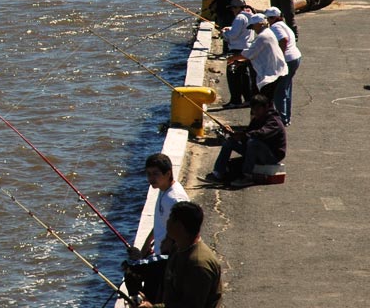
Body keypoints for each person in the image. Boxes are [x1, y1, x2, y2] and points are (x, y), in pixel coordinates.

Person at [123, 153, 190, 303]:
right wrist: (145, 247)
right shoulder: (163, 190)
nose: (151, 178)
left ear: (168, 173)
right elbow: (160, 223)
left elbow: (183, 231)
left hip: (170, 261)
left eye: (155, 174)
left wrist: (166, 245)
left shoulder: (174, 199)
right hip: (161, 256)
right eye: (148, 174)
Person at [137, 201, 222, 308]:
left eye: (170, 219)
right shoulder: (178, 248)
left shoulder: (199, 265)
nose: (166, 223)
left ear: (180, 226)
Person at [205, 94, 287, 186]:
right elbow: (247, 133)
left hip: (272, 155)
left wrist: (243, 136)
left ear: (266, 107)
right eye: (253, 110)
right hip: (257, 151)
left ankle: (247, 176)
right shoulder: (257, 119)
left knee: (253, 142)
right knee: (230, 141)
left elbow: (261, 133)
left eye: (258, 109)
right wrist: (233, 133)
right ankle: (218, 173)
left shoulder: (274, 121)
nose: (255, 112)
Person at [228, 14, 288, 102]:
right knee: (277, 102)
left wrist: (232, 58)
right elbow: (254, 54)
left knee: (265, 103)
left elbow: (248, 54)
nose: (253, 29)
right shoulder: (268, 33)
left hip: (272, 75)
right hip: (278, 71)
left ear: (261, 24)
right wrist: (240, 62)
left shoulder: (263, 37)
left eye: (253, 26)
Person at [265, 7, 301, 126]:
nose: (268, 21)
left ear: (274, 18)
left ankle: (281, 119)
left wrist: (279, 55)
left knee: (279, 91)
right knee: (287, 88)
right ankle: (286, 117)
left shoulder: (276, 27)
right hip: (295, 57)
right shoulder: (283, 25)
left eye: (269, 18)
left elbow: (283, 40)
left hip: (288, 59)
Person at [221, 0, 254, 108]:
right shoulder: (249, 16)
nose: (232, 11)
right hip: (246, 48)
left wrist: (224, 34)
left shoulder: (239, 18)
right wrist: (230, 28)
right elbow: (241, 31)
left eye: (233, 8)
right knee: (244, 76)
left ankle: (235, 100)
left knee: (233, 75)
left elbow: (233, 35)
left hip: (237, 50)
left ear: (236, 7)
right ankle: (248, 99)